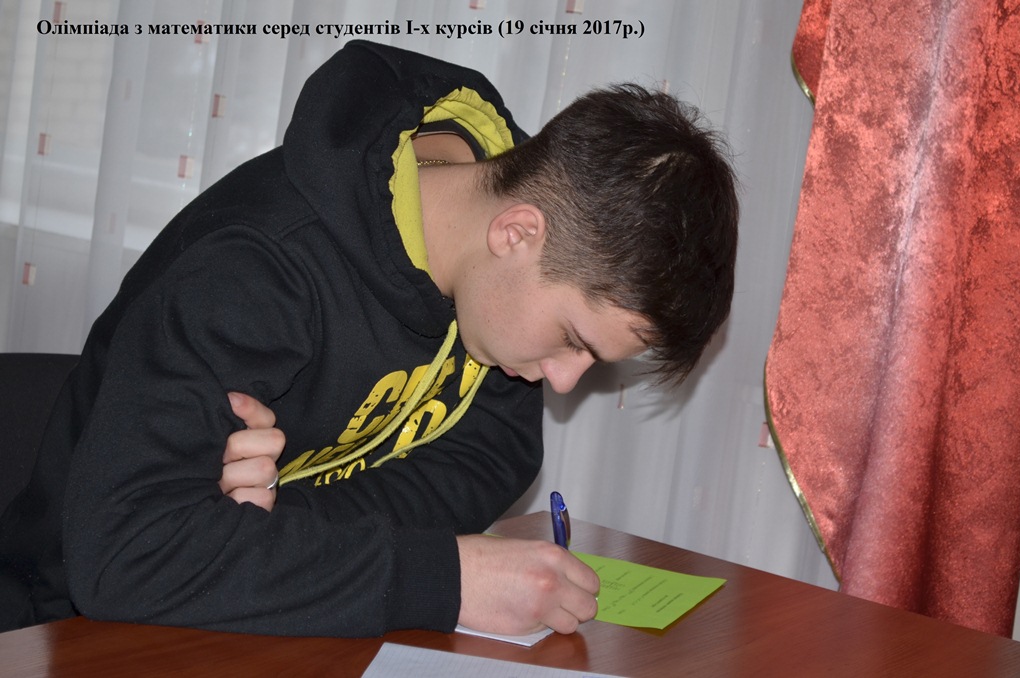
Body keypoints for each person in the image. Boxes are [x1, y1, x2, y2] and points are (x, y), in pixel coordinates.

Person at [0, 40, 738, 636]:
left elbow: (488, 459)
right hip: (64, 630)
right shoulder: (260, 266)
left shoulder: (498, 270)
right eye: (573, 338)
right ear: (517, 233)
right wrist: (445, 581)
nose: (567, 379)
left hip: (247, 613)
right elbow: (127, 553)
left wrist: (278, 528)